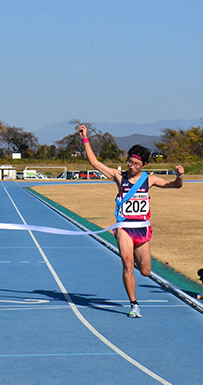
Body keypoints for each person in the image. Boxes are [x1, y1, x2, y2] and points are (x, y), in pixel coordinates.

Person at [78, 125, 184, 318]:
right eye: (129, 162)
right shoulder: (119, 177)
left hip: (142, 230)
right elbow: (94, 162)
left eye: (136, 164)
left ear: (143, 165)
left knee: (145, 271)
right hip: (124, 228)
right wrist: (85, 138)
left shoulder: (149, 180)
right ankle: (134, 304)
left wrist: (180, 176)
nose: (131, 166)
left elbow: (175, 186)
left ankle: (134, 259)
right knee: (127, 265)